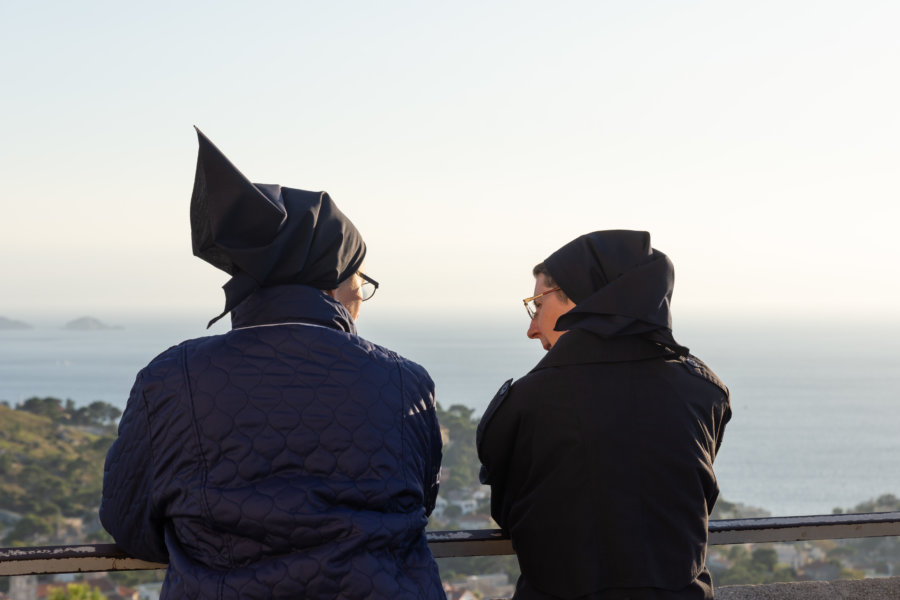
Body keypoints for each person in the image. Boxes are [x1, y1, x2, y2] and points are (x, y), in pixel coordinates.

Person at [100, 128, 446, 599]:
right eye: (359, 282)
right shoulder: (405, 381)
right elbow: (418, 508)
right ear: (332, 283)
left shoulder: (171, 377)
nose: (361, 298)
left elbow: (128, 521)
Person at [476, 230, 731, 600]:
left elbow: (511, 514)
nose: (532, 328)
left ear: (580, 300)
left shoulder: (526, 401)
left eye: (537, 305)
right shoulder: (705, 392)